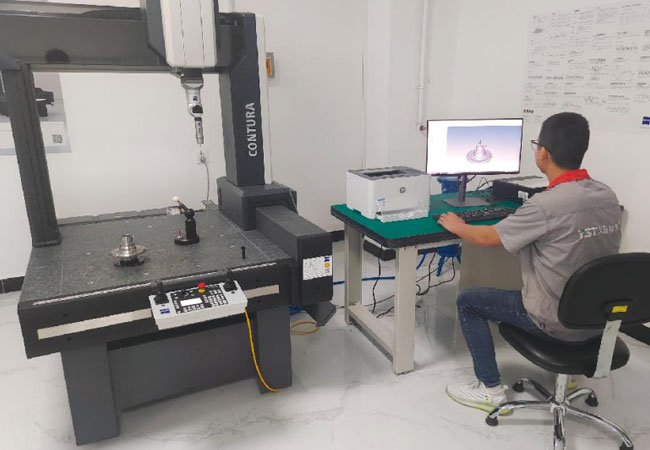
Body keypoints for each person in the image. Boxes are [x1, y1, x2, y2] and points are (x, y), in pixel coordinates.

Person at [437, 112, 622, 412]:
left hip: (554, 322)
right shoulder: (607, 195)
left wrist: (458, 225)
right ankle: (568, 378)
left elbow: (488, 237)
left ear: (543, 153)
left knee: (468, 300)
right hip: (598, 319)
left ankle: (489, 389)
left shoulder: (545, 206)